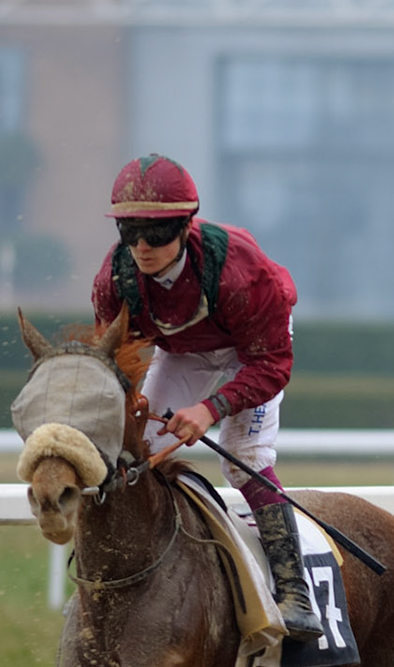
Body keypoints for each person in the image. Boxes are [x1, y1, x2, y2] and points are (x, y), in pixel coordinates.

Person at [91, 153, 323, 640]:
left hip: (253, 348)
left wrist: (210, 409)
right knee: (136, 449)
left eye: (155, 235)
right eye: (130, 232)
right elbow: (115, 361)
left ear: (185, 227)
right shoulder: (115, 281)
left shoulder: (241, 273)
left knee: (243, 457)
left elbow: (272, 366)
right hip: (182, 351)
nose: (141, 247)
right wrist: (124, 402)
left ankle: (293, 588)